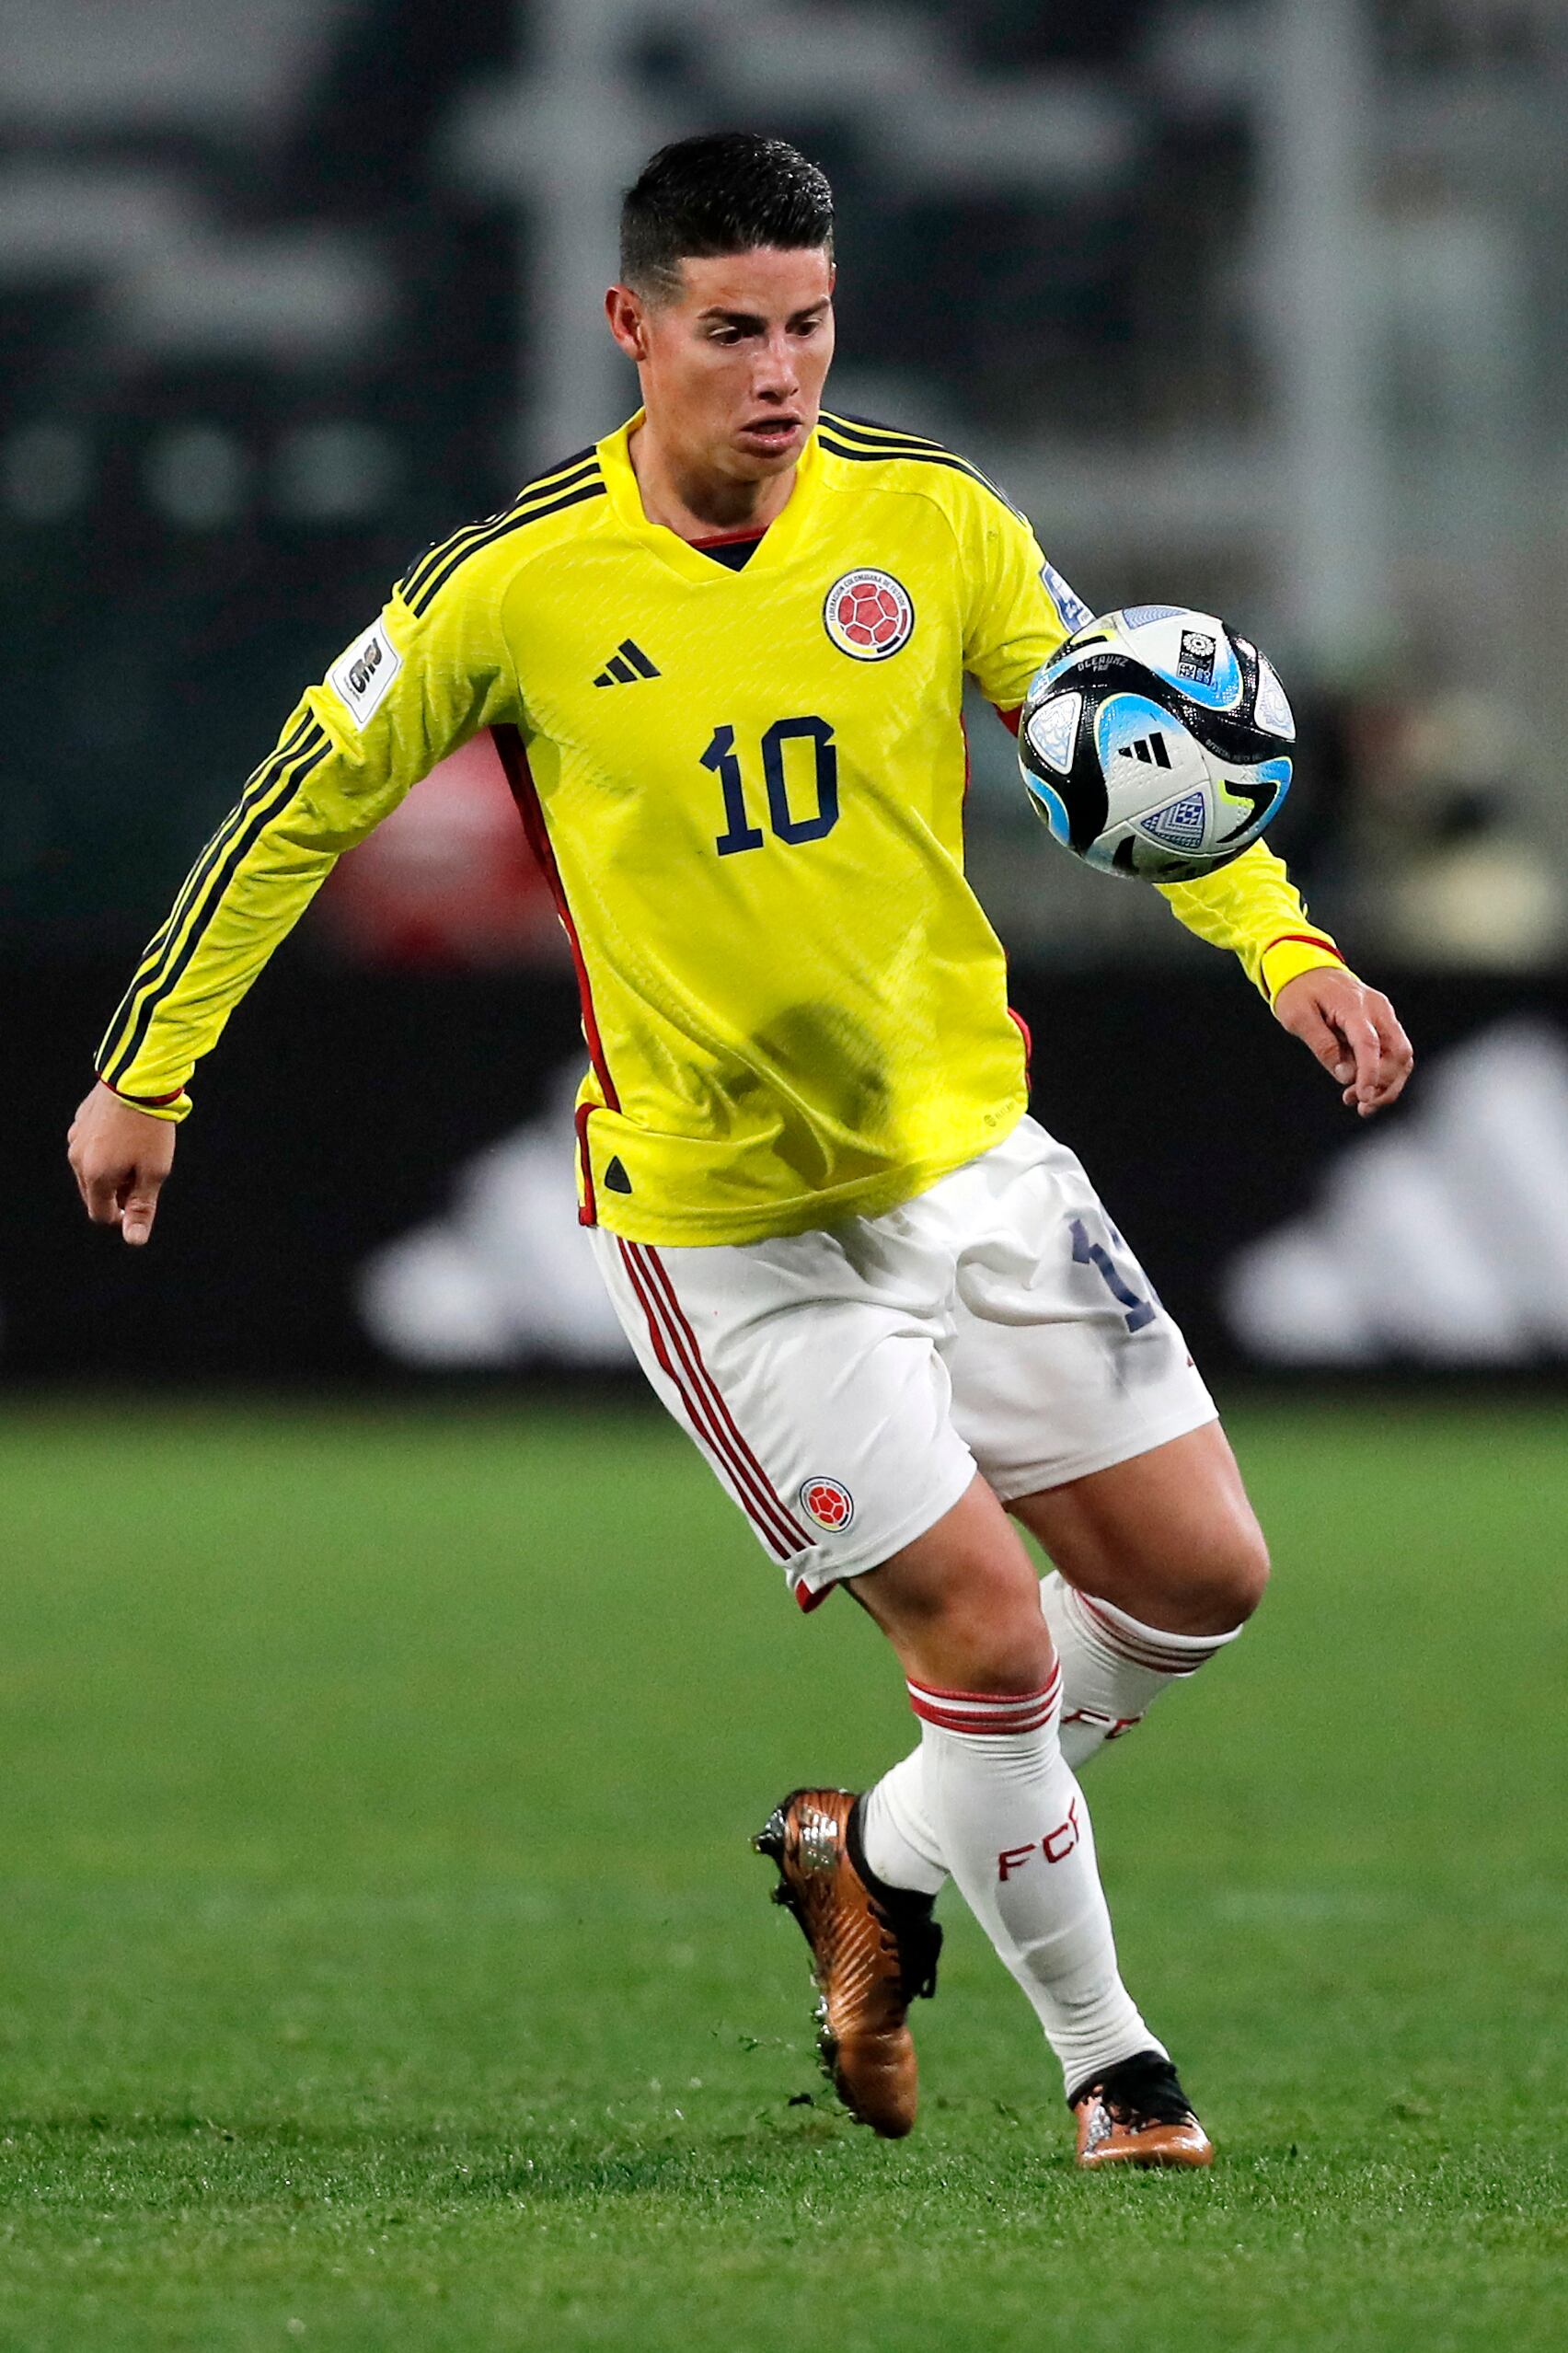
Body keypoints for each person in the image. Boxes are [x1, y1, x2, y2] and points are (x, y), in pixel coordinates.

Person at [68, 133, 1414, 2167]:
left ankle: (869, 1855)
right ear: (634, 329)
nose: (781, 369)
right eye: (733, 330)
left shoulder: (933, 521)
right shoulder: (509, 583)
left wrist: (1280, 939)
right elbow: (298, 807)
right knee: (976, 1627)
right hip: (734, 1235)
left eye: (809, 322)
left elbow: (1127, 744)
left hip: (979, 1159)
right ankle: (1117, 2069)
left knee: (1205, 1579)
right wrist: (147, 1066)